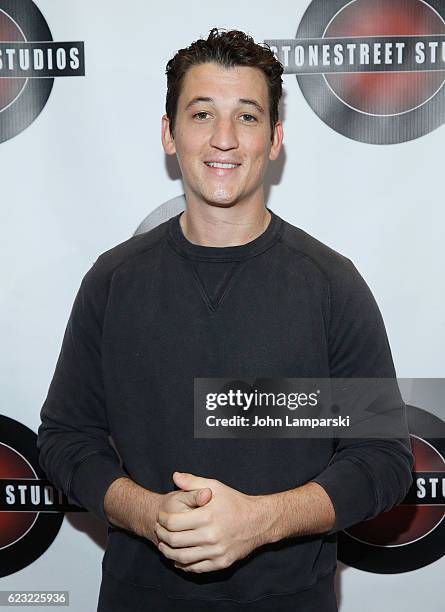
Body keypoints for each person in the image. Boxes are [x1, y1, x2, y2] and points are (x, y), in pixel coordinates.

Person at [37, 28, 414, 611]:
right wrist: (147, 511)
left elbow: (383, 459)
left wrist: (261, 521)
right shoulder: (113, 282)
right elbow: (66, 438)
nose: (224, 139)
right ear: (169, 133)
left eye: (247, 117)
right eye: (201, 113)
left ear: (275, 139)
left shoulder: (330, 285)